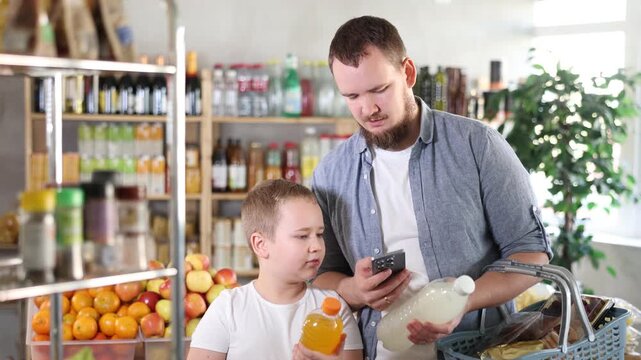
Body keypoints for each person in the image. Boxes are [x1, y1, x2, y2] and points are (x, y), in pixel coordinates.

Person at [311, 16, 552, 359]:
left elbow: (531, 254)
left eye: (380, 89)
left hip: (473, 348)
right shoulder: (331, 172)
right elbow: (321, 274)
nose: (368, 108)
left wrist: (463, 300)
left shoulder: (477, 145)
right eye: (352, 96)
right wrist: (352, 289)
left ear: (408, 74)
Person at [188, 179, 363, 360]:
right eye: (302, 236)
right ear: (261, 245)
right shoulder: (228, 309)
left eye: (319, 234)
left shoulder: (335, 310)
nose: (316, 246)